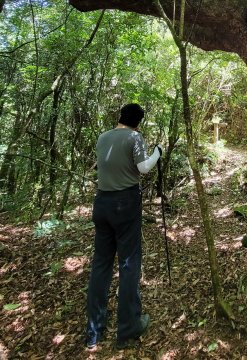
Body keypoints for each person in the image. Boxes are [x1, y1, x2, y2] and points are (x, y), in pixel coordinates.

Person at [85, 103, 162, 350]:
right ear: (138, 122)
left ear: (120, 117)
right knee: (128, 263)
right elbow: (143, 168)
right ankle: (128, 327)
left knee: (101, 263)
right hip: (125, 204)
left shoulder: (103, 137)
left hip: (102, 203)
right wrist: (158, 152)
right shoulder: (134, 137)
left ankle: (94, 330)